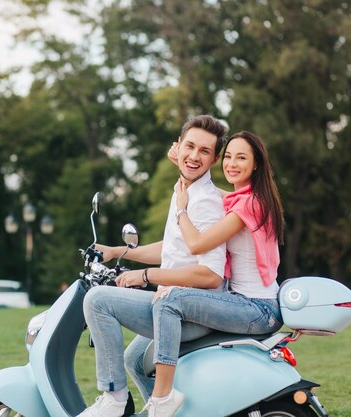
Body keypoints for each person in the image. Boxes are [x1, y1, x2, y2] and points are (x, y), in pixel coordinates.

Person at [77, 114, 228, 417]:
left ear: (214, 159)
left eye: (204, 151)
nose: (194, 156)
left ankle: (113, 397)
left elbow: (210, 275)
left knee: (97, 301)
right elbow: (172, 249)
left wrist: (144, 276)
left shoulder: (205, 202)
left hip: (189, 311)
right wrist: (118, 251)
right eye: (189, 147)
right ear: (178, 146)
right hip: (170, 302)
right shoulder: (184, 190)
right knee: (134, 360)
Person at [147, 130, 285, 411]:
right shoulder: (247, 199)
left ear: (256, 164)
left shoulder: (250, 204)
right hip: (251, 304)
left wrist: (182, 211)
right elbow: (207, 190)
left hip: (256, 308)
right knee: (141, 348)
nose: (232, 163)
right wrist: (183, 163)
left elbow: (197, 244)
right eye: (229, 157)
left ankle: (162, 399)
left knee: (171, 300)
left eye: (242, 158)